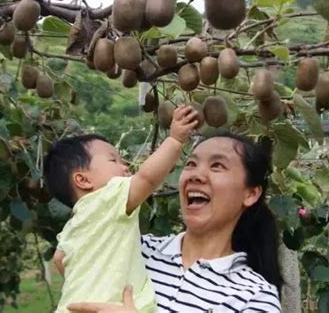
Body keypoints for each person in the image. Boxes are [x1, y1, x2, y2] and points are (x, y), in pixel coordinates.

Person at [67, 132, 283, 312]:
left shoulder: (254, 297)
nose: (196, 175)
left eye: (217, 166)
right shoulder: (133, 250)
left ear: (251, 194)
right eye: (190, 164)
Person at [43, 105, 199, 313]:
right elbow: (147, 178)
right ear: (82, 180)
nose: (125, 166)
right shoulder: (110, 196)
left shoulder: (74, 224)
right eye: (113, 160)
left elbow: (59, 259)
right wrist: (175, 140)